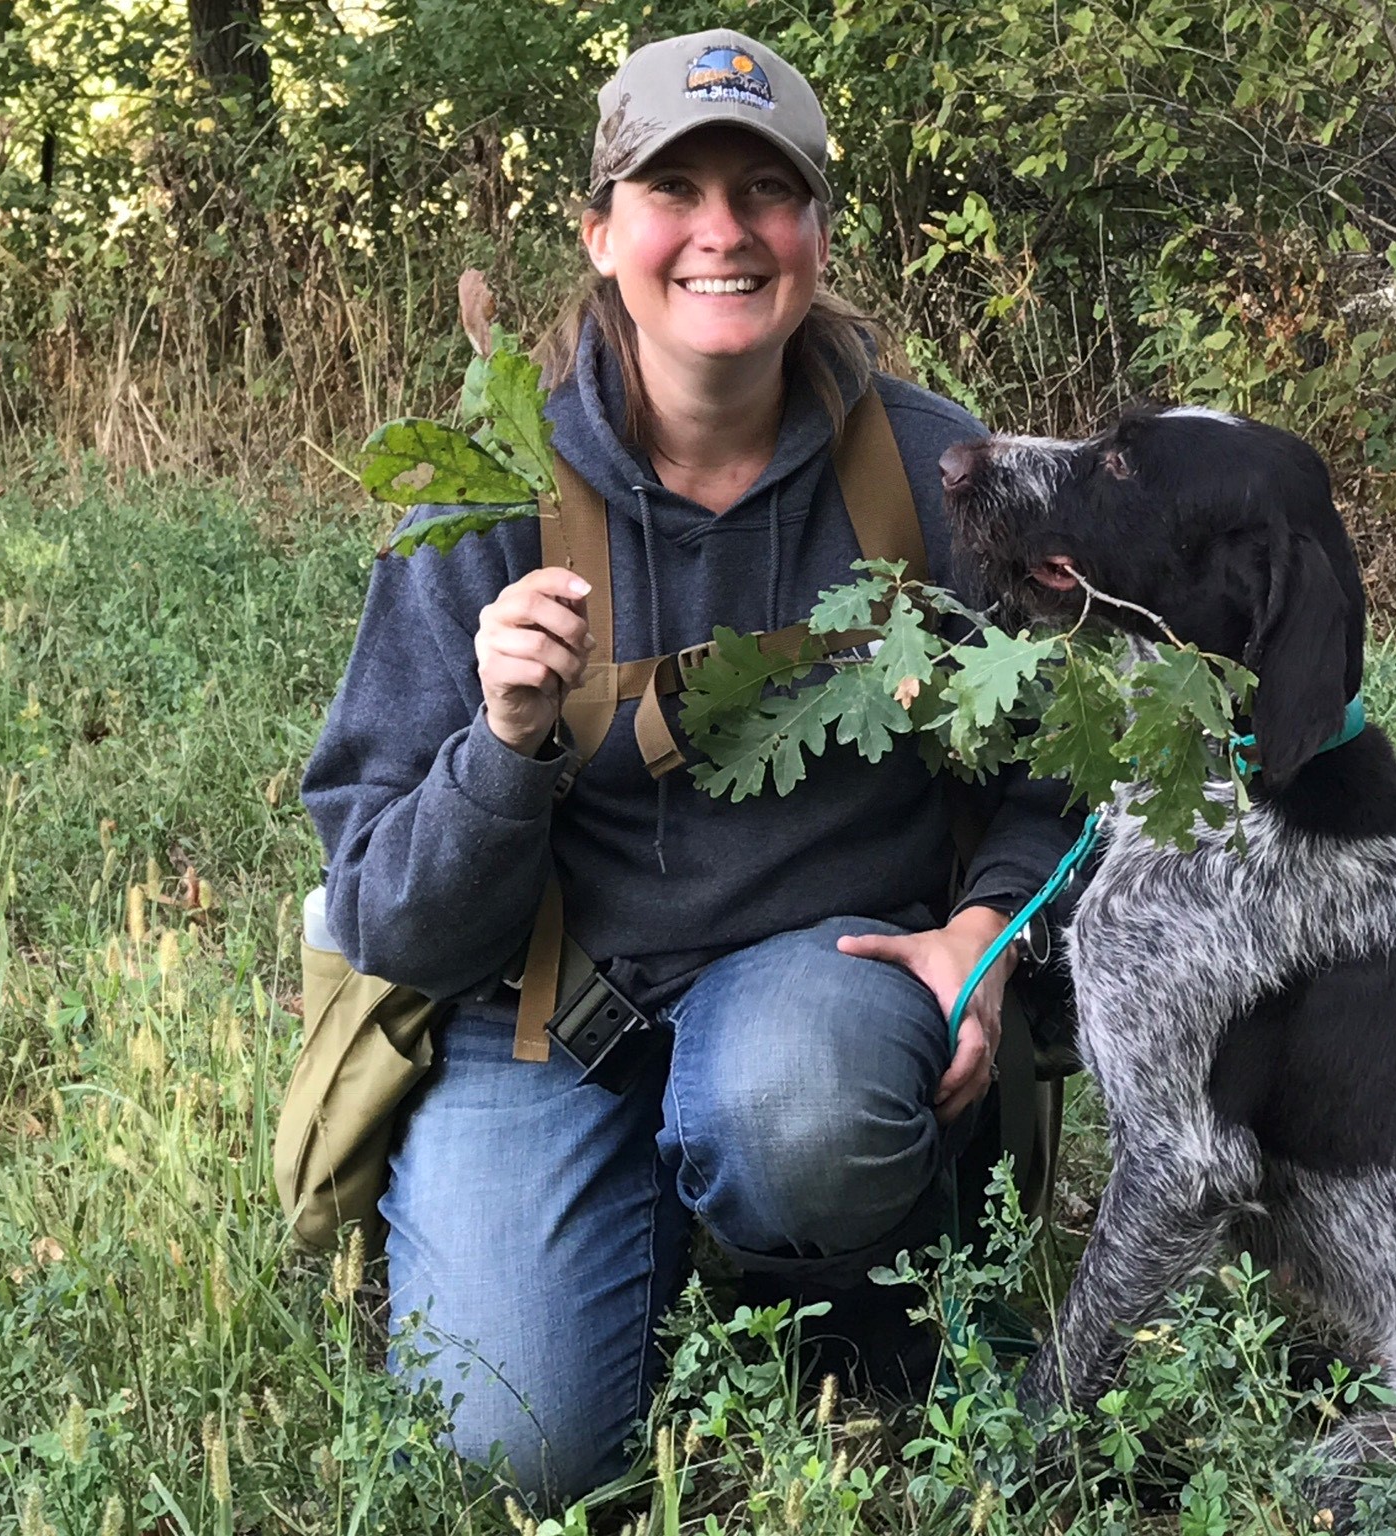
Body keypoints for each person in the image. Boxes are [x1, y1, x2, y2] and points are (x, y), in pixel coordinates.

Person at [300, 29, 1075, 1508]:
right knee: (517, 1446)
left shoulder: (938, 472)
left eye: (766, 190)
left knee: (801, 1110)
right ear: (603, 232)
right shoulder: (485, 494)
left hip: (819, 1000)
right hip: (540, 1016)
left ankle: (836, 1260)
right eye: (675, 190)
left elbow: (1059, 770)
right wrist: (504, 745)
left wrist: (988, 929)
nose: (722, 231)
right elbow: (390, 916)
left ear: (817, 232)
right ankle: (584, 1223)